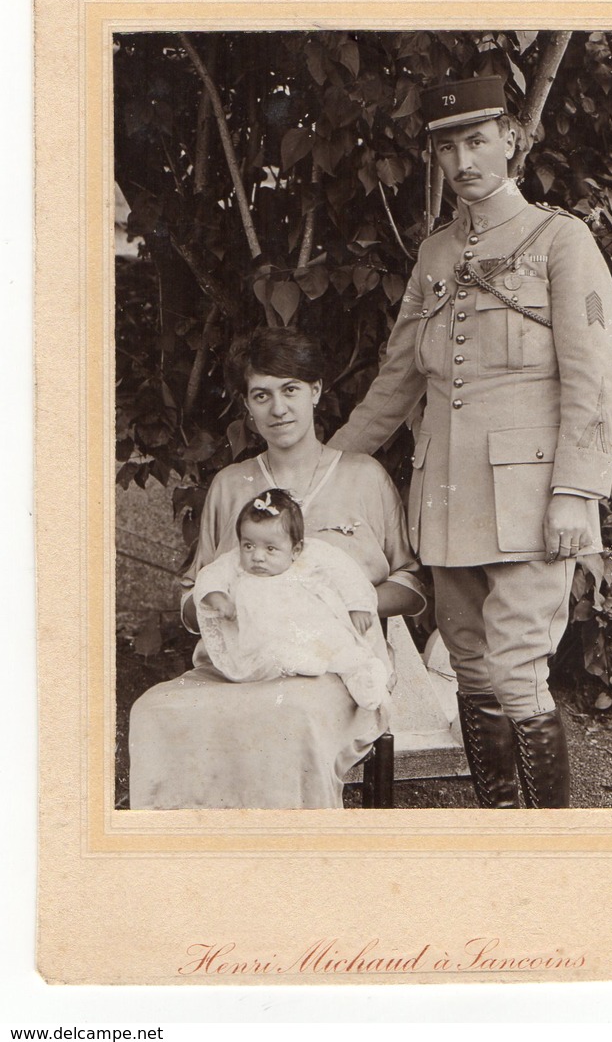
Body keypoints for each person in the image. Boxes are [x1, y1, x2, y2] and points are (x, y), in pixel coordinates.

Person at [330, 75, 612, 808]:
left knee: (520, 668)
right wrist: (326, 467)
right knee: (469, 667)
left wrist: (574, 493)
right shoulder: (435, 255)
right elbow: (399, 378)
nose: (463, 159)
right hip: (448, 498)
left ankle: (548, 847)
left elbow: (596, 380)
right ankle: (497, 825)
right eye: (447, 147)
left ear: (511, 143)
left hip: (532, 501)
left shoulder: (561, 240)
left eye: (476, 140)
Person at [129, 328, 424, 810]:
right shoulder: (229, 485)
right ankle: (183, 864)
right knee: (153, 711)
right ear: (247, 406)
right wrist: (222, 605)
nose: (278, 408)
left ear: (316, 391)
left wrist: (344, 604)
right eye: (261, 395)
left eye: (290, 390)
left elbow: (410, 583)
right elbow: (192, 591)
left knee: (290, 719)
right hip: (242, 663)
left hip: (335, 667)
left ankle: (297, 866)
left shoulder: (364, 477)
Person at [194, 487, 390, 711]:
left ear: (295, 550)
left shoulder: (310, 554)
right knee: (271, 654)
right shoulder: (234, 563)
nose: (257, 556)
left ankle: (361, 681)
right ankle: (297, 665)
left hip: (311, 629)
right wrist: (216, 595)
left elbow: (344, 571)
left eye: (270, 548)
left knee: (343, 648)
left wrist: (358, 605)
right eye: (248, 546)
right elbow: (210, 575)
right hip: (263, 640)